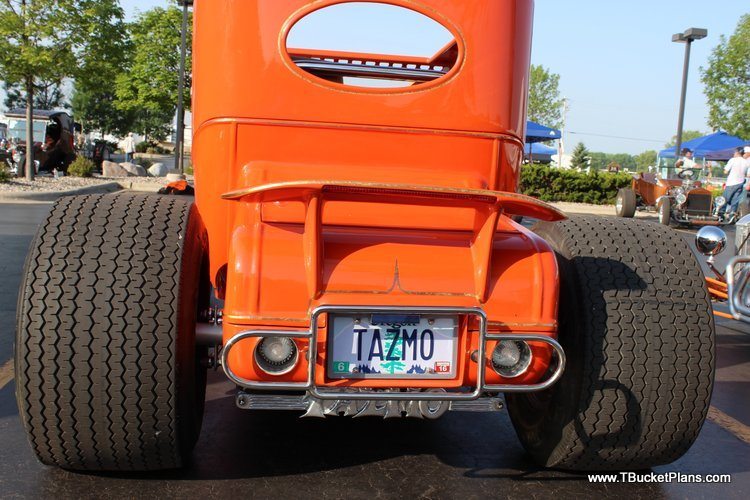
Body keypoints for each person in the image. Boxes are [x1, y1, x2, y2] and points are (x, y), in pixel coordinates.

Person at [719, 146, 749, 217]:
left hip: (731, 183)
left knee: (725, 200)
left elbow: (725, 171)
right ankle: (732, 215)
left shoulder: (733, 160)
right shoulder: (746, 162)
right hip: (740, 183)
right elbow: (747, 174)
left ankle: (721, 214)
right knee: (735, 201)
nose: (734, 154)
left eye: (734, 152)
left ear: (737, 153)